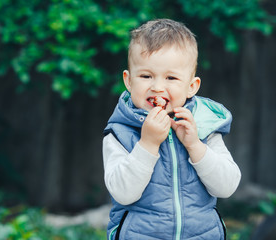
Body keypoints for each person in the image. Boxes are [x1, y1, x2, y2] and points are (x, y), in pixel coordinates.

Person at [103, 19, 241, 240]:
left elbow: (226, 187)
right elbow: (123, 193)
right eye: (146, 76)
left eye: (171, 78)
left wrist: (195, 145)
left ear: (191, 86)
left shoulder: (204, 127)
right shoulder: (120, 132)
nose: (157, 87)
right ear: (129, 81)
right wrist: (147, 144)